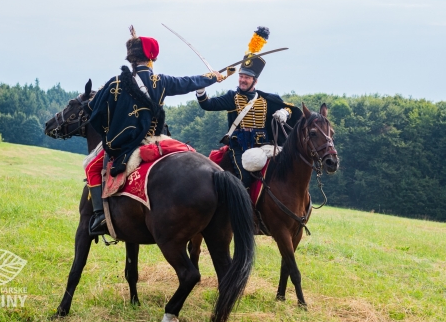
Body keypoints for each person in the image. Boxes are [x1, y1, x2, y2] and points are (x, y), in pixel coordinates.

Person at [85, 26, 224, 235]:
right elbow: (189, 82)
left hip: (125, 145)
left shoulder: (115, 83)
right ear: (152, 58)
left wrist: (111, 131)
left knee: (90, 166)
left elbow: (93, 110)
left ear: (131, 58)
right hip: (155, 138)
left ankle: (99, 216)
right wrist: (211, 78)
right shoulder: (162, 81)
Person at [196, 27, 302, 189]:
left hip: (265, 145)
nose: (242, 80)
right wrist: (201, 88)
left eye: (246, 78)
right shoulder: (232, 97)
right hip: (239, 146)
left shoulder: (267, 99)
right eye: (241, 77)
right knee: (243, 179)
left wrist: (284, 113)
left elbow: (291, 109)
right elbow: (207, 104)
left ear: (255, 81)